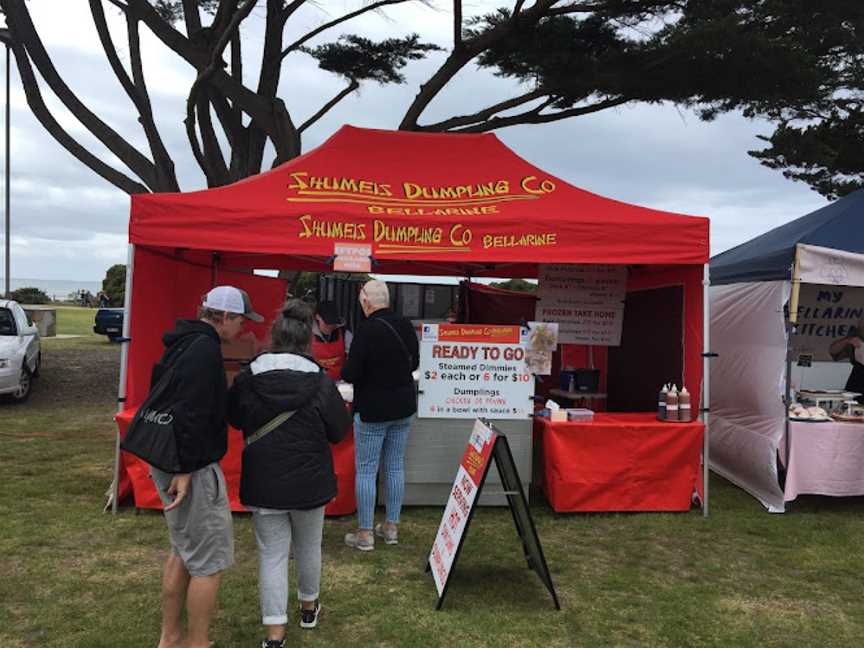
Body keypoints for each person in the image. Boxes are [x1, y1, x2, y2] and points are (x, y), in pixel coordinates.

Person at [228, 300, 350, 645]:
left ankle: (275, 633)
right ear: (305, 340)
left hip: (264, 479)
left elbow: (234, 417)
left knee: (272, 554)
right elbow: (338, 430)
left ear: (275, 336)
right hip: (310, 480)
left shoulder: (249, 376)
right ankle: (308, 607)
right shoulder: (320, 380)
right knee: (310, 546)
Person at [150, 285, 262, 648]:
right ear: (225, 316)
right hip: (191, 467)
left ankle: (171, 637)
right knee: (209, 563)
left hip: (171, 458)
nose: (244, 327)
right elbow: (191, 414)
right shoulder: (204, 351)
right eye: (241, 319)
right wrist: (185, 470)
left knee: (183, 549)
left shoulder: (183, 341)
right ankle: (197, 643)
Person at [341, 279, 419, 551]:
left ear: (366, 302)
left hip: (373, 409)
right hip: (404, 406)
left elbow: (349, 373)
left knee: (366, 469)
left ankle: (364, 533)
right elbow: (416, 362)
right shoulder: (405, 325)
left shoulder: (366, 330)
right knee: (395, 465)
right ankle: (391, 527)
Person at [311, 300, 352, 381]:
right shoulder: (306, 336)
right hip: (315, 384)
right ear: (317, 317)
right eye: (327, 322)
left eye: (333, 322)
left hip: (341, 384)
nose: (330, 326)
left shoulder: (346, 335)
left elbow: (352, 360)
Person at [829, 316, 864, 403]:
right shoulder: (856, 335)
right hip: (858, 378)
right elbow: (833, 350)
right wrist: (848, 340)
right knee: (851, 408)